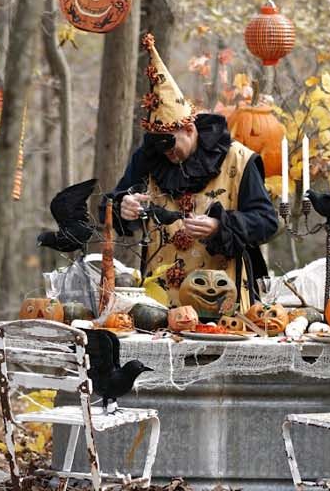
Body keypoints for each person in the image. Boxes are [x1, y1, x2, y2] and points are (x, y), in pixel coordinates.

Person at [110, 33, 279, 307]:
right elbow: (115, 204)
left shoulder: (238, 158)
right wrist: (122, 205)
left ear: (189, 129)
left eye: (171, 145)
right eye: (160, 149)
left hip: (224, 296)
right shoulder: (149, 158)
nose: (167, 155)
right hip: (158, 301)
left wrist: (219, 226)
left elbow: (266, 222)